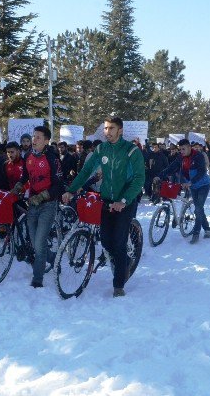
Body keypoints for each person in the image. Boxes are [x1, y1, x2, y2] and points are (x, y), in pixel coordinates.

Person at [63, 117, 145, 297]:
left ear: (120, 130)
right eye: (106, 128)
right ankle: (122, 262)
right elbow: (86, 172)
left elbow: (139, 178)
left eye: (112, 128)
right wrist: (71, 190)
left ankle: (118, 284)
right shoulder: (101, 149)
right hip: (107, 201)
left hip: (125, 202)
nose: (107, 131)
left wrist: (123, 200)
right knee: (106, 242)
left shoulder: (131, 151)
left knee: (118, 241)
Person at [12, 125, 64, 288]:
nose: (34, 140)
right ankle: (54, 258)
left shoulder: (52, 159)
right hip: (32, 205)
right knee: (35, 243)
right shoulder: (28, 155)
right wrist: (19, 185)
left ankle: (37, 279)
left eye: (38, 137)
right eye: (33, 137)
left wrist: (42, 196)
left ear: (47, 141)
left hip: (47, 205)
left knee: (40, 242)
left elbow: (59, 185)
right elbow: (25, 176)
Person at [156, 138, 210, 244]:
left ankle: (196, 232)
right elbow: (172, 168)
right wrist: (160, 176)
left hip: (203, 185)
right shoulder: (181, 157)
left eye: (183, 149)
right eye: (180, 149)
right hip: (193, 187)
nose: (181, 151)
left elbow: (202, 171)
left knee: (198, 208)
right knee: (198, 209)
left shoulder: (198, 156)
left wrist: (191, 182)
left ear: (189, 147)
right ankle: (207, 229)